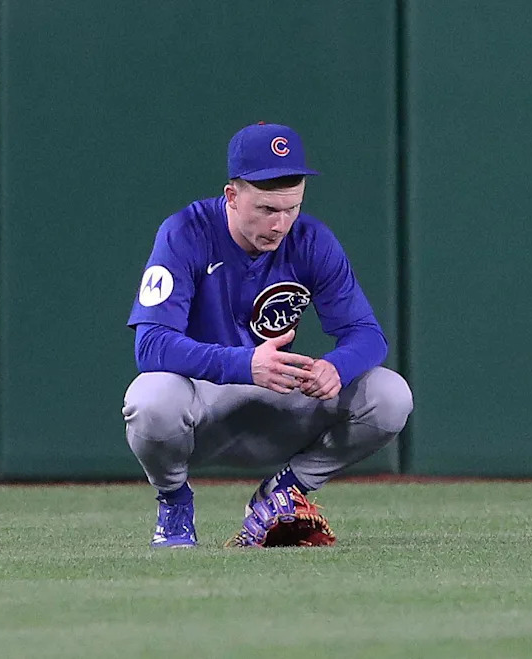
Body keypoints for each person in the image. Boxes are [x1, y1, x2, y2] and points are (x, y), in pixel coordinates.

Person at [122, 122, 413, 548]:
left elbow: (366, 334)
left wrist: (337, 365)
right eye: (266, 210)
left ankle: (284, 491)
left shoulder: (311, 240)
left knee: (390, 395)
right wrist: (243, 362)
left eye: (290, 208)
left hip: (275, 397)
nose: (280, 223)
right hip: (202, 403)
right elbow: (150, 345)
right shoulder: (186, 232)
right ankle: (174, 501)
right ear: (232, 196)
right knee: (150, 399)